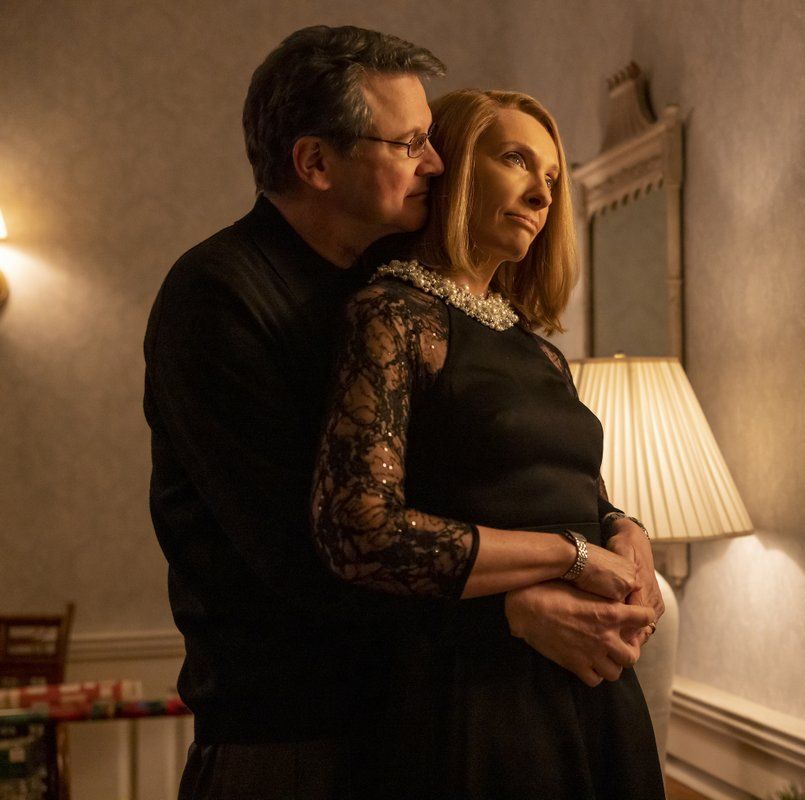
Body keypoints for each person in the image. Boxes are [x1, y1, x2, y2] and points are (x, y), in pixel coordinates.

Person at [144, 25, 660, 799]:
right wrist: (521, 604)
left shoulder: (398, 290)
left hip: (419, 703)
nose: (436, 162)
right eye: (410, 142)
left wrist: (615, 523)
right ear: (316, 163)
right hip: (289, 735)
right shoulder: (219, 295)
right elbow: (307, 552)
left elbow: (473, 471)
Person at [310, 89, 667, 800]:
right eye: (515, 160)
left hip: (594, 687)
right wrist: (569, 557)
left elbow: (566, 490)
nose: (541, 193)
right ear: (450, 166)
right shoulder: (392, 316)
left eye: (553, 177)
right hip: (476, 695)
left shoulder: (541, 351)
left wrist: (625, 528)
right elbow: (359, 529)